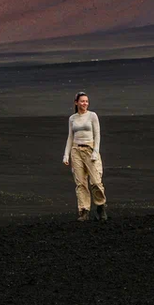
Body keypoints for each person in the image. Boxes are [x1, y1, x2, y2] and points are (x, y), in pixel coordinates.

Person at [63, 91, 106, 221]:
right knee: (80, 182)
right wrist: (66, 154)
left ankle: (100, 206)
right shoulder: (72, 118)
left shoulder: (92, 116)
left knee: (96, 182)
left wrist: (95, 151)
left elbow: (97, 135)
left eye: (86, 101)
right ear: (76, 103)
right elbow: (70, 137)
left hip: (89, 149)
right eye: (82, 101)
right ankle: (84, 211)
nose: (85, 103)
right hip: (76, 150)